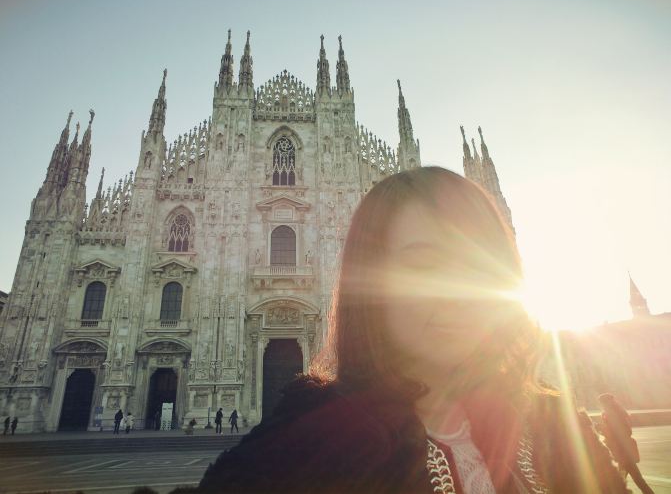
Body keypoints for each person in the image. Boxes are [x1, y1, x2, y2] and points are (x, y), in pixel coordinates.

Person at [191, 167, 627, 493]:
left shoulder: (558, 428)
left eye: (476, 263)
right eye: (424, 264)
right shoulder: (305, 452)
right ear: (370, 284)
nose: (456, 290)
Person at [599, 393, 654, 494]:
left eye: (602, 403)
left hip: (622, 452)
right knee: (634, 479)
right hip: (624, 451)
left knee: (625, 480)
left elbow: (617, 433)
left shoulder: (612, 415)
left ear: (606, 403)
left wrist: (602, 430)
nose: (601, 405)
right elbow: (624, 431)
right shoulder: (618, 412)